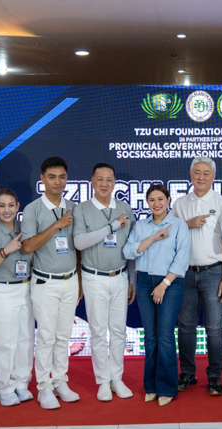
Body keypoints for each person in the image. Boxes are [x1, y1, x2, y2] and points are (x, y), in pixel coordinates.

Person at [21, 157, 82, 408]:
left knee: (62, 336)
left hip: (70, 280)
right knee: (45, 336)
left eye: (62, 177)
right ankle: (43, 387)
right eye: (52, 177)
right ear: (42, 179)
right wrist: (56, 225)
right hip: (45, 282)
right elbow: (27, 247)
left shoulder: (74, 207)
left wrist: (78, 280)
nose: (58, 182)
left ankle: (60, 381)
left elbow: (78, 247)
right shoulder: (33, 209)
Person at [73, 163, 137, 402]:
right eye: (99, 179)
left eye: (109, 180)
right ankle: (102, 381)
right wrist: (111, 226)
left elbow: (130, 247)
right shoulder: (82, 210)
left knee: (119, 331)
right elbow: (79, 242)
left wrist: (132, 279)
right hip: (94, 277)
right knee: (98, 332)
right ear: (92, 182)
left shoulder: (124, 208)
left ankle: (116, 378)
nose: (104, 184)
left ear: (114, 182)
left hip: (120, 276)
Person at [124, 185, 190, 406]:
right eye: (151, 200)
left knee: (164, 336)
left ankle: (167, 388)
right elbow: (127, 252)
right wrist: (152, 238)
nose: (156, 203)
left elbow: (182, 259)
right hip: (144, 282)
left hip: (170, 283)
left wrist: (164, 284)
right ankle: (150, 386)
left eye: (160, 199)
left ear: (168, 199)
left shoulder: (179, 225)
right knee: (150, 337)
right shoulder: (141, 226)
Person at [172, 157, 222, 396]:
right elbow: (169, 237)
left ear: (213, 177)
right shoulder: (179, 203)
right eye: (197, 172)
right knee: (186, 327)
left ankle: (215, 376)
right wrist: (186, 224)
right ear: (190, 175)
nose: (201, 177)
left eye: (206, 173)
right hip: (185, 273)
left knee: (215, 328)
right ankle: (187, 372)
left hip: (214, 272)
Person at [0, 189, 35, 407]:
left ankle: (21, 382)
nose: (7, 210)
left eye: (11, 205)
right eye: (2, 206)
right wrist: (5, 251)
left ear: (17, 206)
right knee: (4, 342)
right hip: (0, 289)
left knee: (25, 339)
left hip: (25, 287)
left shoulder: (25, 229)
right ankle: (4, 388)